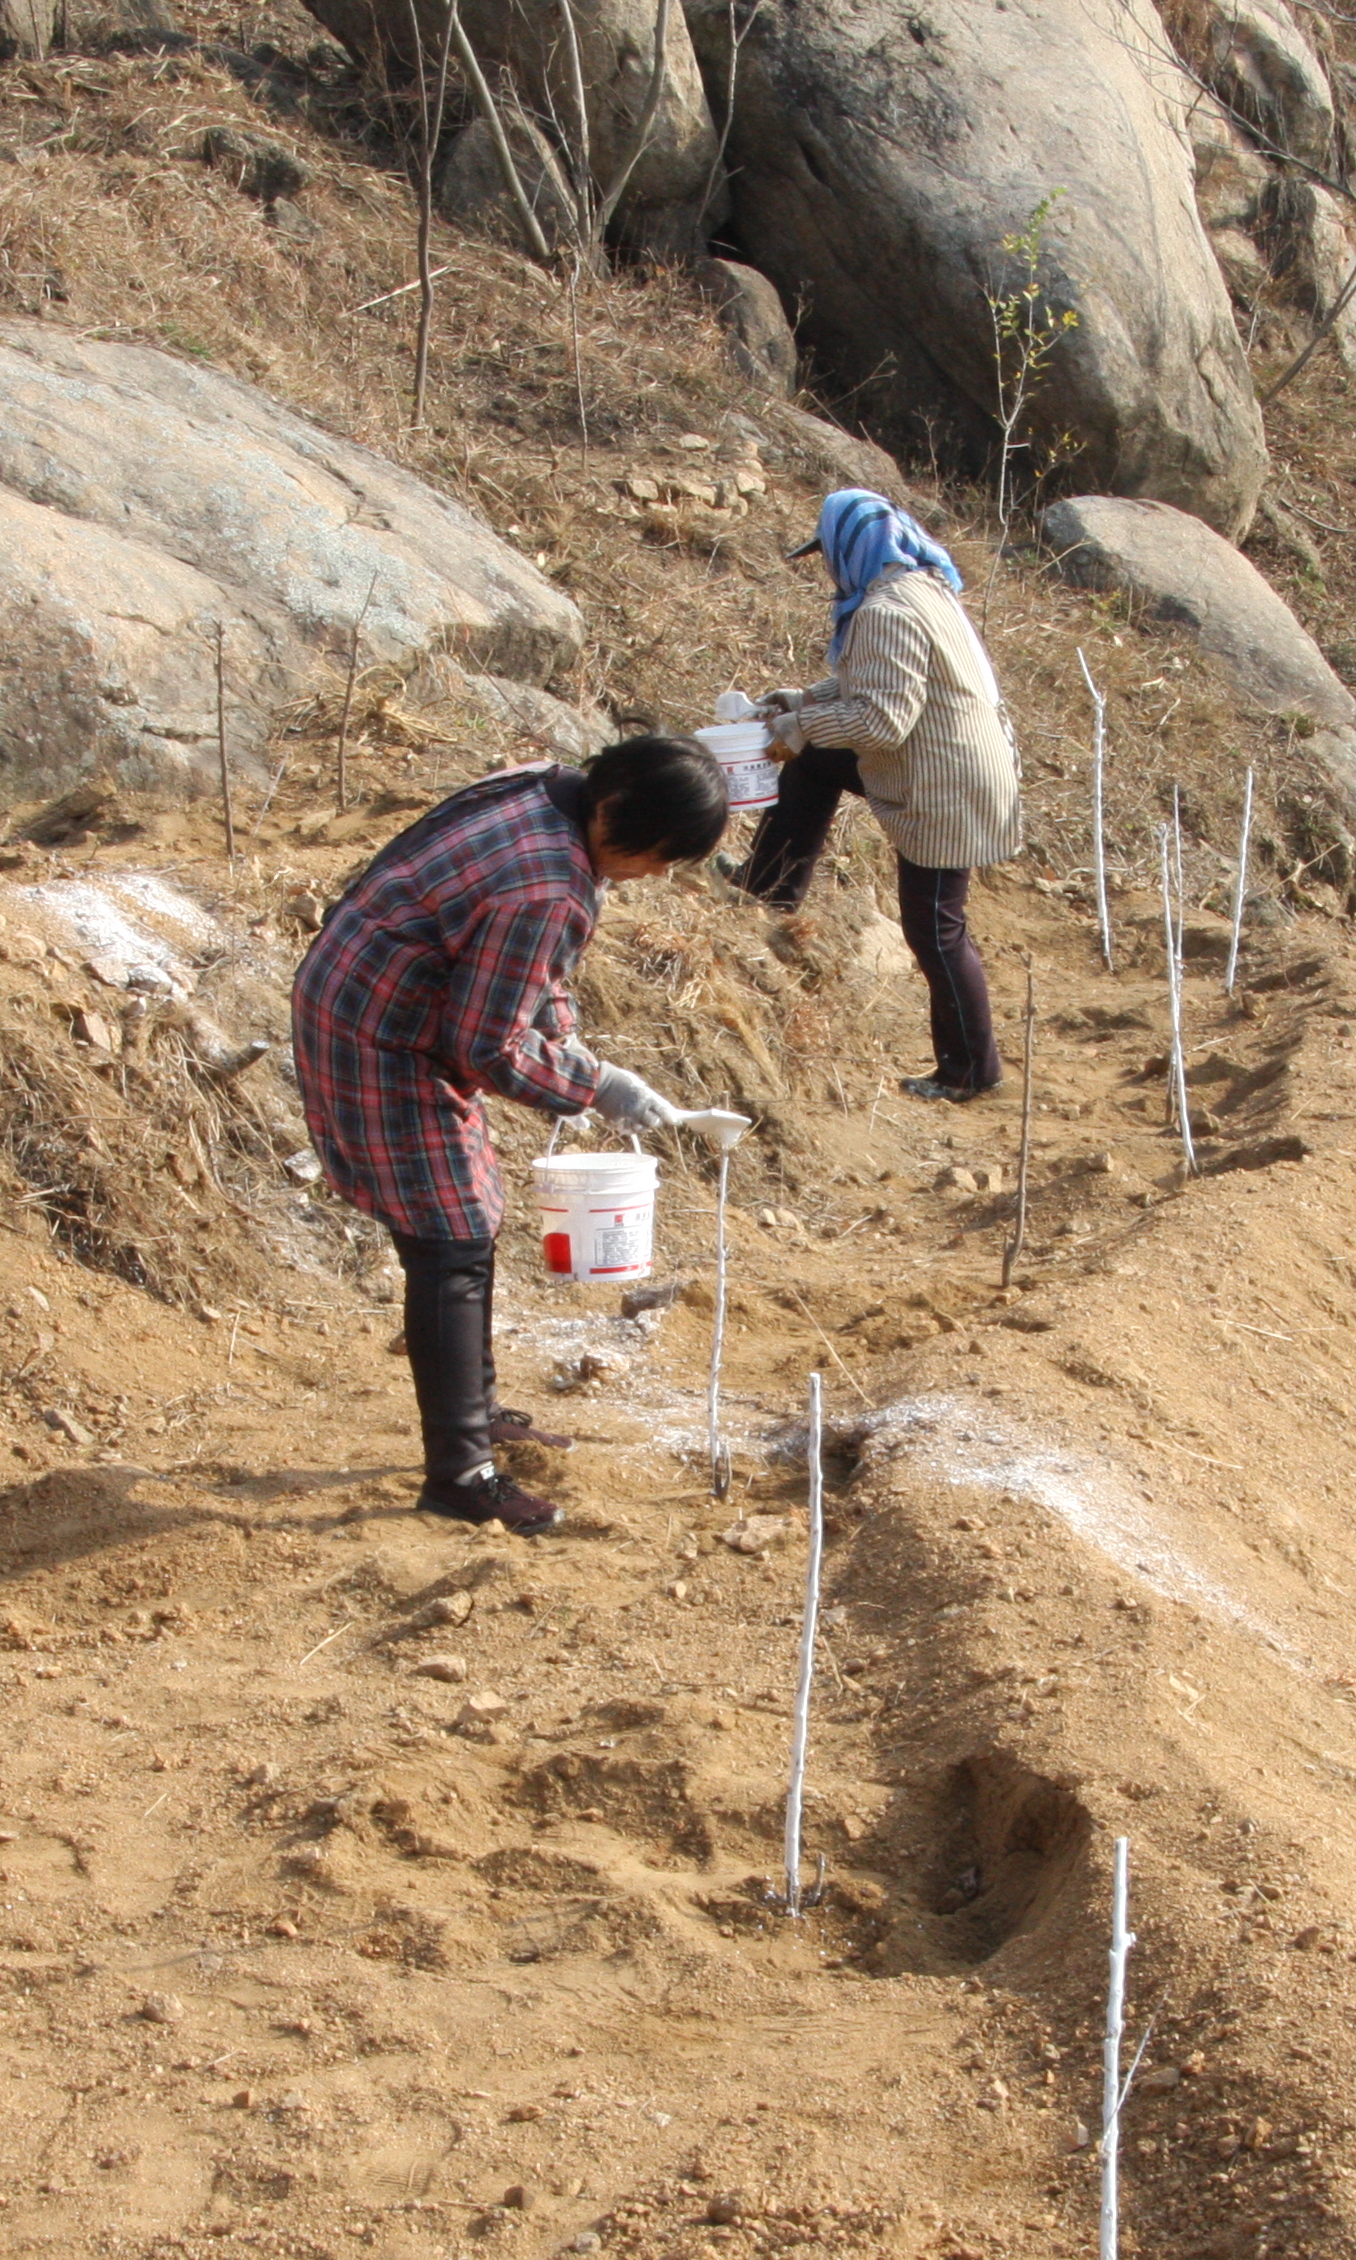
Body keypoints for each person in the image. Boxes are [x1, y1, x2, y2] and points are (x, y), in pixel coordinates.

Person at [297, 737, 743, 1536]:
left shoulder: (544, 789)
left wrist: (569, 1053)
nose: (660, 875)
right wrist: (596, 1087)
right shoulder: (547, 885)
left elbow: (536, 981)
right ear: (624, 822)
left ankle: (476, 1410)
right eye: (663, 857)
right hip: (375, 1027)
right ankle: (462, 1472)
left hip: (371, 984)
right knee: (450, 1232)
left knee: (464, 1218)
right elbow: (487, 1046)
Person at [732, 488, 1025, 1102]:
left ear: (847, 547)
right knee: (813, 765)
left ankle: (972, 1070)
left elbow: (881, 721)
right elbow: (877, 682)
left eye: (826, 553)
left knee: (936, 928)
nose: (826, 567)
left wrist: (799, 728)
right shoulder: (921, 587)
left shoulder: (885, 610)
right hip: (948, 764)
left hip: (943, 782)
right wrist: (806, 703)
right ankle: (769, 889)